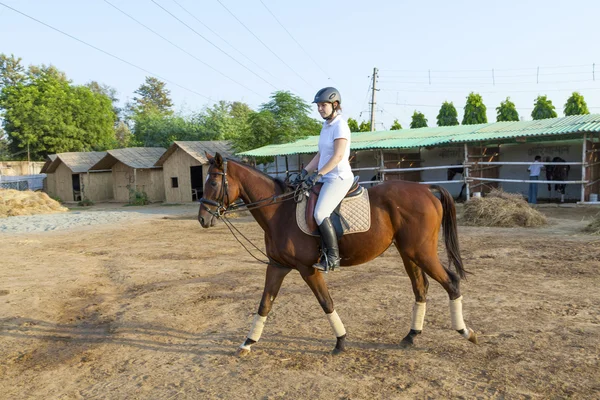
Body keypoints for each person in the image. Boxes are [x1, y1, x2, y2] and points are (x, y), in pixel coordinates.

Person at [292, 87, 354, 272]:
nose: (320, 108)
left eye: (323, 105)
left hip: (338, 177)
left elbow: (337, 156)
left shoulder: (340, 126)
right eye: (318, 105)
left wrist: (318, 175)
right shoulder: (326, 127)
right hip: (325, 177)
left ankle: (333, 257)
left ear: (335, 105)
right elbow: (321, 155)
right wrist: (304, 172)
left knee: (320, 214)